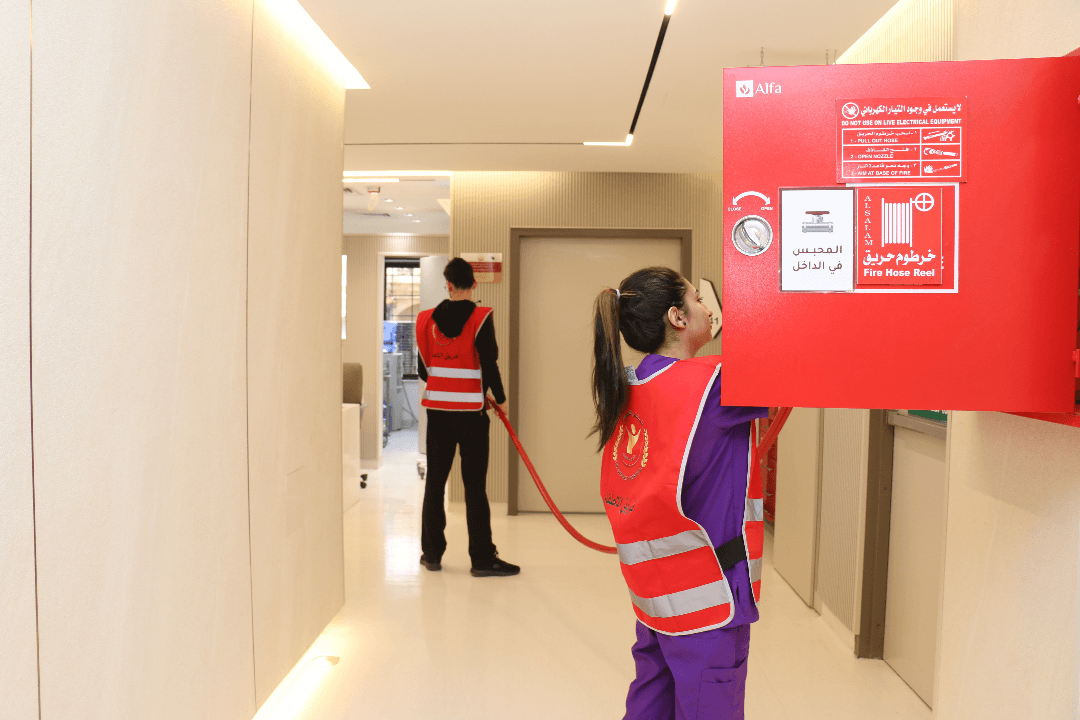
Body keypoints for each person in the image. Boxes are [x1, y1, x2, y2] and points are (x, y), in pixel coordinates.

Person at [591, 266, 767, 720]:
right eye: (698, 299)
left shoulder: (630, 385)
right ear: (677, 317)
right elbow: (795, 366)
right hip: (709, 596)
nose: (709, 308)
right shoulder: (713, 384)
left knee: (651, 703)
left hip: (656, 595)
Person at [415, 257, 520, 577]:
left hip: (438, 414)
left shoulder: (425, 320)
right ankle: (482, 559)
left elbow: (424, 370)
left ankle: (431, 554)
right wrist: (500, 398)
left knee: (435, 483)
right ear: (473, 285)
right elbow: (489, 363)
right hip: (472, 416)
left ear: (448, 285)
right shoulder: (480, 317)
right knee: (474, 487)